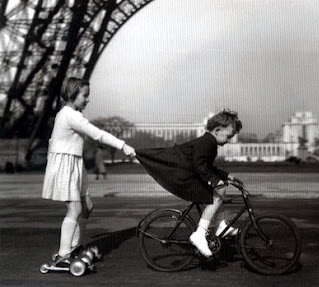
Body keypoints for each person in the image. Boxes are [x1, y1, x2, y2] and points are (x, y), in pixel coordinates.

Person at [42, 77, 136, 264]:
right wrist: (123, 145)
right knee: (75, 208)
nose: (88, 99)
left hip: (74, 163)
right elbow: (97, 134)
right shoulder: (70, 115)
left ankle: (75, 246)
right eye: (85, 95)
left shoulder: (68, 114)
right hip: (65, 165)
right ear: (72, 94)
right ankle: (63, 254)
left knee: (87, 207)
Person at [136, 109, 242, 257]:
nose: (229, 140)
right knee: (220, 190)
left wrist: (227, 175)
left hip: (188, 175)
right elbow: (200, 167)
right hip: (184, 177)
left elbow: (208, 167)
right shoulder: (207, 143)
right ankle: (200, 234)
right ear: (218, 130)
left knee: (219, 190)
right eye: (229, 136)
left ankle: (219, 224)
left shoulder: (209, 142)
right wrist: (216, 181)